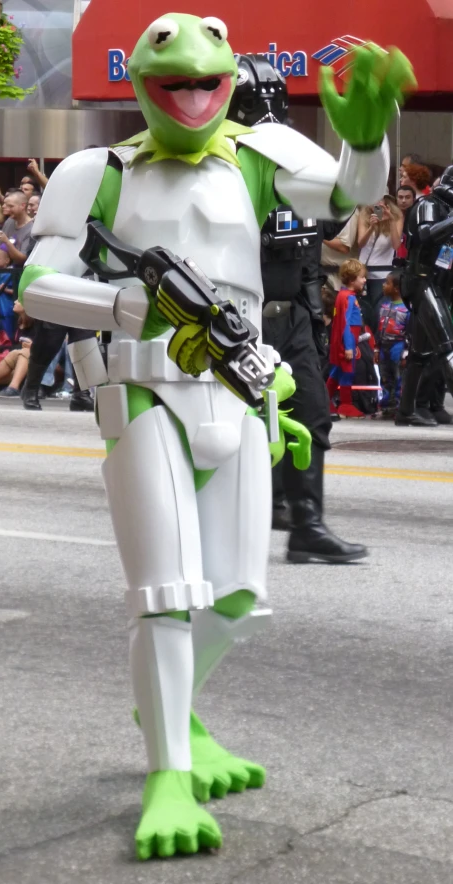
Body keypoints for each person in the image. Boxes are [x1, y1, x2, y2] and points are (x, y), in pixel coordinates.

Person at [18, 12, 414, 861]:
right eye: (169, 61)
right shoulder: (99, 171)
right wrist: (130, 305)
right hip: (145, 388)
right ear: (135, 77)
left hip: (236, 388)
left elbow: (348, 195)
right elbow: (41, 282)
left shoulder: (258, 157)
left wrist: (369, 139)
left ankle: (169, 707)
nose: (192, 85)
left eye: (208, 69)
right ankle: (166, 770)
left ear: (230, 73)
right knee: (165, 593)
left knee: (235, 598)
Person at [230, 53, 368, 562]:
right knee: (233, 424)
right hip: (238, 318)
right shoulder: (222, 169)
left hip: (293, 315)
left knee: (311, 414)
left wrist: (359, 147)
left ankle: (306, 524)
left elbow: (330, 225)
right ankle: (253, 510)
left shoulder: (296, 163)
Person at [396, 165, 453, 426]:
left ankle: (407, 410)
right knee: (447, 348)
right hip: (421, 281)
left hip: (439, 284)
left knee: (421, 353)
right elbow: (426, 235)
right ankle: (410, 409)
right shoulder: (428, 204)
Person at [326, 259, 367, 418]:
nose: (364, 280)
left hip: (342, 342)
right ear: (352, 279)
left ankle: (326, 401)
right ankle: (345, 405)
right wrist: (349, 346)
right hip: (346, 344)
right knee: (346, 373)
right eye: (361, 277)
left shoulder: (342, 295)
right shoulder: (348, 297)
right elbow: (346, 324)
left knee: (336, 372)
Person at [358, 195, 403, 331]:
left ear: (385, 200)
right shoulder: (364, 214)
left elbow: (396, 245)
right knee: (364, 310)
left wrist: (391, 221)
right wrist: (372, 227)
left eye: (378, 200)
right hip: (363, 272)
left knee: (379, 311)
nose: (375, 204)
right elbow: (360, 243)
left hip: (382, 273)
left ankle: (378, 343)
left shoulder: (396, 215)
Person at [375, 270, 410, 418]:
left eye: (387, 283)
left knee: (398, 376)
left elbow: (410, 332)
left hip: (398, 346)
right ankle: (385, 405)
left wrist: (406, 352)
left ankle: (398, 405)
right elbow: (378, 329)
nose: (383, 285)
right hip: (384, 346)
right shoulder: (383, 306)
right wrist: (376, 349)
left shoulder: (407, 308)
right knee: (384, 376)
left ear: (397, 288)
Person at [0, 300, 35, 395]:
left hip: (35, 361)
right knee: (14, 353)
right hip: (18, 362)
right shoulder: (20, 323)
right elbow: (14, 346)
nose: (14, 301)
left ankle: (13, 387)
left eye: (19, 300)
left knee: (24, 352)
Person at [321, 208, 360, 294]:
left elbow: (344, 247)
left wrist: (318, 235)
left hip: (338, 279)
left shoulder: (349, 212)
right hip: (323, 275)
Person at [0, 190, 33, 266]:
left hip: (19, 272)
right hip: (3, 270)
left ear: (22, 206)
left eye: (11, 206)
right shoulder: (9, 221)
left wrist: (6, 241)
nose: (6, 209)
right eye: (5, 205)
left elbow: (22, 259)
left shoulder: (31, 228)